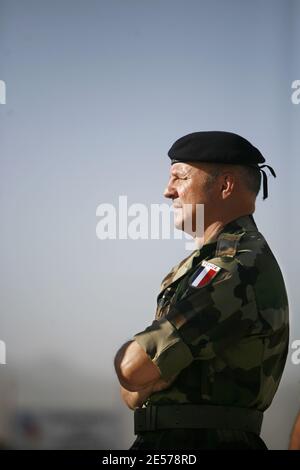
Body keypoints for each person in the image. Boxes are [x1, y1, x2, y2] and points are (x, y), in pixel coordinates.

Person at [114, 131, 289, 450]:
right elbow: (130, 392)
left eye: (179, 177)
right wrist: (151, 373)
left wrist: (150, 373)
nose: (167, 192)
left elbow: (131, 369)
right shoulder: (203, 266)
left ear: (225, 185)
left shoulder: (236, 267)